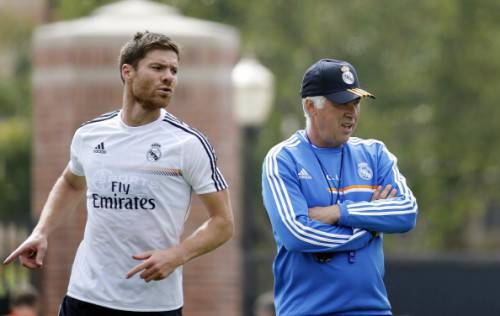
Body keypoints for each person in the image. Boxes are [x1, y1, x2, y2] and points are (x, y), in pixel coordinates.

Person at [3, 31, 234, 316]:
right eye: (158, 68)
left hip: (154, 305)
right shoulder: (90, 134)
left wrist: (176, 256)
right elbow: (71, 183)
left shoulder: (188, 144)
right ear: (128, 71)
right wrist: (42, 231)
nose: (169, 77)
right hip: (85, 297)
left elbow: (223, 222)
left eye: (174, 70)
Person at [262, 58, 418, 315]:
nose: (352, 112)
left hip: (373, 310)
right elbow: (297, 233)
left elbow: (407, 212)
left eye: (356, 103)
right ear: (311, 106)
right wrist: (369, 228)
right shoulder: (283, 158)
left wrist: (338, 213)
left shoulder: (375, 153)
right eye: (341, 103)